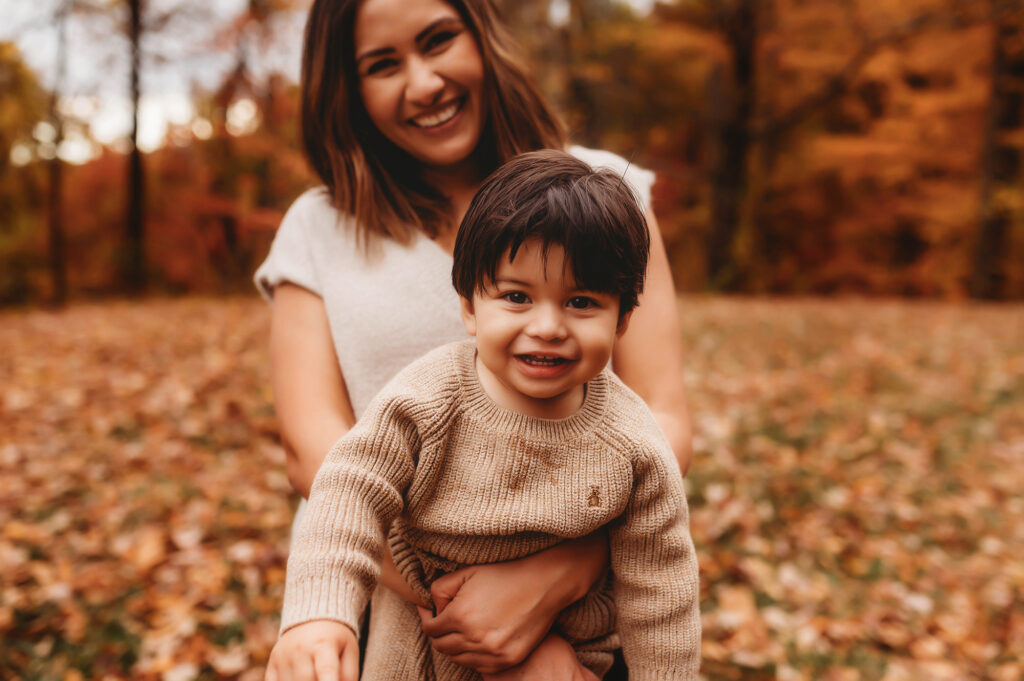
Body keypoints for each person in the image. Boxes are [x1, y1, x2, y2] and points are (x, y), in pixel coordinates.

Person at [254, 0, 693, 676]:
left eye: (438, 40)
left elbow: (661, 417)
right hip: (384, 596)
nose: (424, 82)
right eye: (382, 64)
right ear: (348, 87)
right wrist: (457, 605)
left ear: (482, 35)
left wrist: (555, 579)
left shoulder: (609, 196)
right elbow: (315, 451)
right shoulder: (319, 228)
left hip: (586, 601)